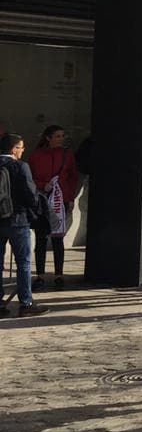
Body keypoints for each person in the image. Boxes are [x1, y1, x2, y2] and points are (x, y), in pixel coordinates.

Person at [0, 133, 49, 317]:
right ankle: (26, 303)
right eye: (21, 147)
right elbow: (31, 194)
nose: (23, 150)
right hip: (18, 220)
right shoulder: (21, 166)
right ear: (13, 149)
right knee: (24, 263)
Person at [27, 124, 79, 290]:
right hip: (42, 200)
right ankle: (40, 275)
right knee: (41, 239)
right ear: (48, 138)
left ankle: (59, 275)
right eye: (58, 136)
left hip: (60, 201)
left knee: (58, 239)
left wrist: (70, 198)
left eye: (62, 136)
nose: (61, 139)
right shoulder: (36, 156)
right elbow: (30, 178)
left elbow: (72, 177)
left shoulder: (67, 154)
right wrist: (43, 185)